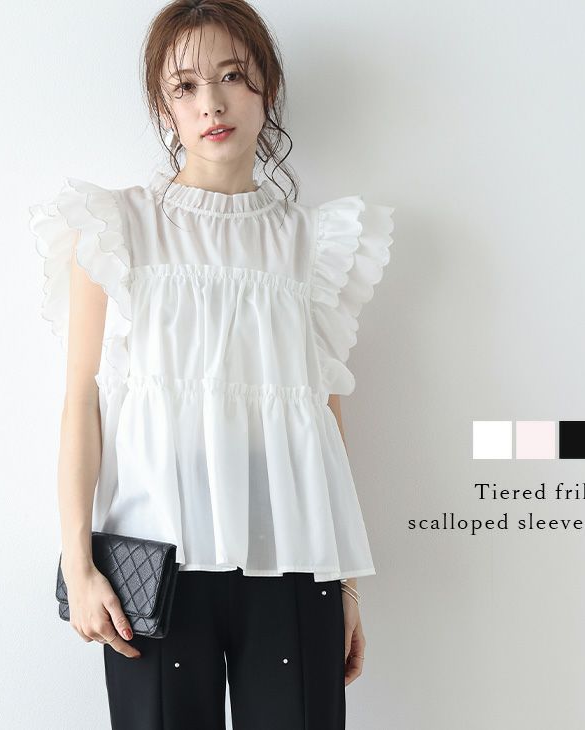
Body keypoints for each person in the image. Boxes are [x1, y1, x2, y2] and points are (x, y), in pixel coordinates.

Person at [28, 1, 394, 728]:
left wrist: (347, 582)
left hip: (294, 561)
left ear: (267, 87)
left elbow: (321, 417)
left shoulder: (315, 245)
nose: (212, 104)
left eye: (232, 76)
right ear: (164, 107)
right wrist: (77, 561)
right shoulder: (115, 228)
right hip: (152, 562)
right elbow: (81, 402)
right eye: (185, 87)